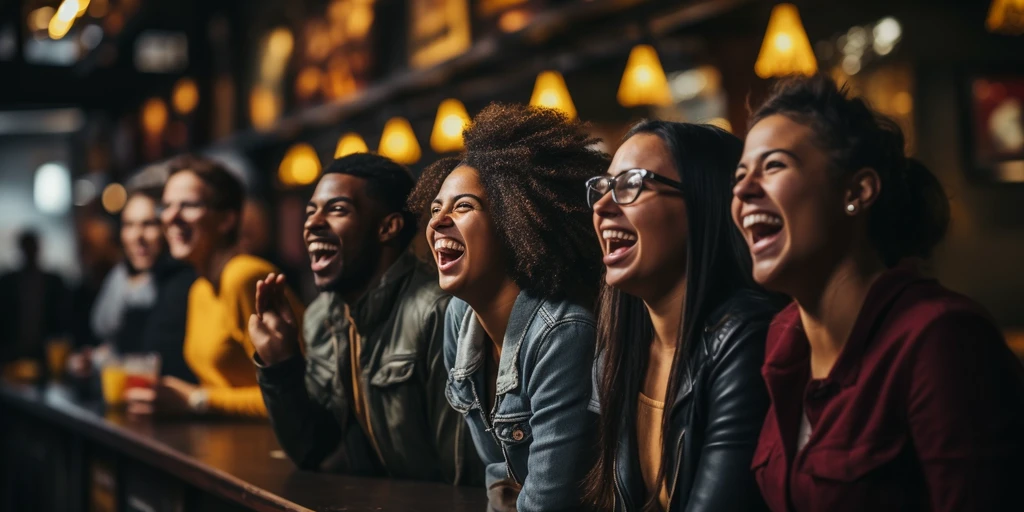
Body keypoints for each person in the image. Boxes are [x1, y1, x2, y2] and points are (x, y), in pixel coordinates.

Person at [732, 75, 1024, 512]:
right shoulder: (783, 335)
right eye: (741, 174)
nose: (743, 189)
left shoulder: (940, 337)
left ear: (858, 190)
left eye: (773, 166)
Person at [408, 103, 605, 511]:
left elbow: (547, 502)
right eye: (435, 208)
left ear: (516, 223)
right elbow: (502, 473)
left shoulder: (562, 332)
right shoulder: (458, 320)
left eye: (463, 206)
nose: (438, 221)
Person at [250, 153, 480, 483]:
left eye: (337, 210)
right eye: (311, 211)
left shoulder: (439, 312)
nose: (312, 223)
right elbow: (312, 450)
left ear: (387, 227)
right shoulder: (321, 317)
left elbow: (460, 475)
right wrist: (280, 365)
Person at [585, 121, 779, 511]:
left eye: (632, 184)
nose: (603, 206)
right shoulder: (617, 353)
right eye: (604, 187)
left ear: (704, 202)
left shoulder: (744, 338)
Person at [128, 155, 304, 417]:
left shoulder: (243, 276)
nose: (171, 216)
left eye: (188, 205)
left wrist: (195, 400)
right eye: (166, 206)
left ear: (227, 220)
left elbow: (298, 394)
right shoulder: (200, 288)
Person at [0, 230, 68, 366]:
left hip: (45, 353)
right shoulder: (7, 282)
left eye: (32, 247)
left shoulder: (54, 282)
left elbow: (62, 317)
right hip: (11, 352)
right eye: (27, 248)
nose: (30, 252)